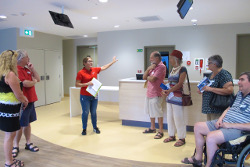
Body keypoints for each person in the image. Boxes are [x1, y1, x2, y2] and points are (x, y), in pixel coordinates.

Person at [182, 72, 250, 167]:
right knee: (198, 126)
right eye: (239, 80)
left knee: (211, 137)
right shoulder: (239, 94)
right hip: (225, 123)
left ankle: (209, 165)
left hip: (238, 130)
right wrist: (220, 119)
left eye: (242, 79)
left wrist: (231, 125)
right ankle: (198, 158)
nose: (238, 82)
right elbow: (228, 108)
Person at [76, 56, 118, 135]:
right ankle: (84, 129)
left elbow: (104, 67)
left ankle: (95, 127)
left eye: (91, 61)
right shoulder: (81, 72)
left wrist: (112, 62)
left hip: (94, 96)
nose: (91, 62)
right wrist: (86, 84)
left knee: (94, 112)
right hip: (85, 96)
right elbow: (77, 84)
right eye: (89, 61)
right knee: (85, 112)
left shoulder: (94, 70)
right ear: (84, 63)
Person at [0, 50, 28, 167]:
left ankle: (10, 160)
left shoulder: (1, 73)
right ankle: (9, 162)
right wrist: (25, 100)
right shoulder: (10, 74)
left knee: (9, 135)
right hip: (10, 109)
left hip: (4, 107)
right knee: (10, 135)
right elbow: (18, 94)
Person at [12, 49, 40, 158]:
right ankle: (15, 146)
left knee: (27, 123)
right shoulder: (16, 70)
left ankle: (28, 143)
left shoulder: (27, 69)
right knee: (20, 124)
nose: (28, 58)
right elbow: (25, 83)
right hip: (23, 101)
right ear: (21, 58)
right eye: (27, 57)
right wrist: (33, 82)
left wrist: (32, 69)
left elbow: (37, 78)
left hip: (31, 100)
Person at [162, 50, 188, 147]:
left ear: (176, 59)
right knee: (170, 117)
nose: (170, 60)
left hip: (177, 97)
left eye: (171, 58)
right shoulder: (172, 69)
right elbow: (171, 82)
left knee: (178, 117)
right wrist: (165, 88)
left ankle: (182, 138)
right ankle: (171, 135)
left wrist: (170, 90)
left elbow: (180, 84)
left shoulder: (183, 69)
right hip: (169, 97)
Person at [199, 55, 234, 121]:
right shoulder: (210, 74)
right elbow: (206, 87)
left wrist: (210, 89)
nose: (208, 65)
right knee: (210, 128)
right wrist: (202, 89)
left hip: (218, 108)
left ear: (214, 64)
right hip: (209, 108)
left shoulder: (224, 74)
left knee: (215, 128)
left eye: (209, 63)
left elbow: (229, 90)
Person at [142, 51, 166, 139]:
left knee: (158, 112)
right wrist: (148, 69)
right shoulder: (152, 67)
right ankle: (152, 128)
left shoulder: (161, 67)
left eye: (151, 58)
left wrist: (148, 77)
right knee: (151, 112)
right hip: (149, 93)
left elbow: (152, 79)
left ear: (157, 58)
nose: (150, 59)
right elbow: (144, 77)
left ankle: (161, 131)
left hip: (157, 93)